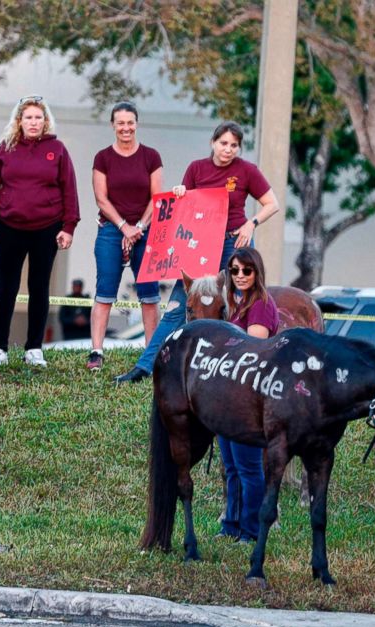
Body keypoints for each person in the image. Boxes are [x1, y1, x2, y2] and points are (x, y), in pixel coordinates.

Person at [114, 121, 279, 384]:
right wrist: (181, 192)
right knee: (178, 307)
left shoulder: (247, 171)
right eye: (223, 143)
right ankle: (144, 367)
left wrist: (251, 223)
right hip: (199, 246)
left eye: (234, 145)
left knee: (234, 306)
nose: (228, 150)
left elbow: (272, 203)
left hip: (233, 244)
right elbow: (185, 207)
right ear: (213, 143)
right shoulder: (196, 168)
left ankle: (232, 368)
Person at [0, 95, 79, 367]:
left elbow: (69, 189)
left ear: (45, 122)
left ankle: (34, 348)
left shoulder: (56, 149)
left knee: (39, 287)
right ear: (19, 121)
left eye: (38, 117)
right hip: (9, 228)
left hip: (46, 228)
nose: (33, 122)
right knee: (6, 288)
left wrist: (68, 227)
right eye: (28, 117)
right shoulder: (5, 148)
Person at [87, 102, 162, 371]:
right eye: (120, 123)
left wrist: (139, 227)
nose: (126, 128)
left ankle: (151, 353)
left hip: (146, 228)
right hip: (111, 228)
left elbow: (157, 198)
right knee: (105, 291)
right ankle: (96, 351)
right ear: (113, 125)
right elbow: (101, 198)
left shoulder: (151, 156)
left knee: (149, 294)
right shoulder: (103, 157)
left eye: (130, 122)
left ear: (137, 124)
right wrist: (123, 227)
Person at [217, 248, 276, 543]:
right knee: (231, 468)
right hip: (227, 399)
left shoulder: (261, 305)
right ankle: (231, 525)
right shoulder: (236, 305)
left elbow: (252, 351)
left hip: (248, 401)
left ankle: (251, 532)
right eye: (234, 270)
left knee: (249, 469)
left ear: (257, 272)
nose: (239, 276)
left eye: (246, 270)